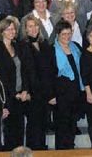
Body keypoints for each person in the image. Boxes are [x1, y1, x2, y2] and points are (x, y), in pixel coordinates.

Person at [18, 15, 56, 150]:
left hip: (45, 92)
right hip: (32, 93)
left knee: (42, 126)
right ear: (25, 30)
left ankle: (41, 150)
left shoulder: (44, 44)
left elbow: (51, 70)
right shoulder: (22, 46)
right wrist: (26, 91)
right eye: (30, 26)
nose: (33, 29)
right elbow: (25, 72)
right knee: (34, 126)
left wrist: (51, 93)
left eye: (35, 25)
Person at [0, 17, 31, 150]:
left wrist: (25, 89)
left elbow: (24, 69)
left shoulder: (17, 46)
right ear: (2, 31)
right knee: (10, 131)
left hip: (21, 95)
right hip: (7, 97)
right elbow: (1, 77)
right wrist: (14, 94)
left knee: (20, 129)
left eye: (13, 29)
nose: (11, 31)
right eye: (8, 29)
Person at [52, 21, 85, 149]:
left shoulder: (75, 47)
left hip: (75, 92)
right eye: (63, 34)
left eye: (69, 33)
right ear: (58, 35)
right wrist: (51, 95)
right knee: (62, 127)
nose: (67, 36)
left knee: (72, 125)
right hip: (60, 94)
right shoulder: (52, 50)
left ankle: (70, 150)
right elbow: (48, 75)